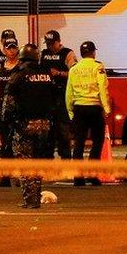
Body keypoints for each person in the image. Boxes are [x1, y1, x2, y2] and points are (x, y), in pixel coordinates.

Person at [2, 44, 57, 208]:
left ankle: (30, 199)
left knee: (25, 162)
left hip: (24, 124)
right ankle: (36, 196)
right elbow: (55, 98)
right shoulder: (47, 75)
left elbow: (8, 103)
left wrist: (7, 122)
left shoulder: (18, 75)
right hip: (45, 125)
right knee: (39, 160)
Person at [65, 41, 111, 186]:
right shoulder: (98, 67)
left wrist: (70, 111)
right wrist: (107, 108)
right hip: (94, 108)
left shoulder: (74, 69)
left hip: (79, 108)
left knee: (79, 143)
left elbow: (69, 92)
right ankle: (92, 175)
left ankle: (78, 177)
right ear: (93, 52)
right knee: (97, 142)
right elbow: (102, 88)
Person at [0, 37, 22, 186]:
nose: (11, 50)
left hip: (18, 111)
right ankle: (6, 177)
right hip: (3, 110)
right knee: (5, 144)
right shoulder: (0, 67)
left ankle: (21, 177)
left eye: (14, 47)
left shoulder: (22, 67)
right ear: (4, 50)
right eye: (9, 48)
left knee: (19, 144)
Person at [40, 30, 77, 160]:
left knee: (63, 129)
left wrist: (59, 73)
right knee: (47, 130)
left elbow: (74, 74)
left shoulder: (67, 53)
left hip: (63, 95)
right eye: (47, 44)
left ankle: (65, 157)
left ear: (58, 41)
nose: (49, 46)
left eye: (51, 44)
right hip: (47, 96)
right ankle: (47, 158)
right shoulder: (44, 54)